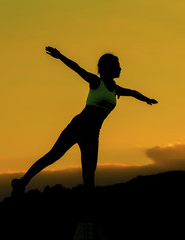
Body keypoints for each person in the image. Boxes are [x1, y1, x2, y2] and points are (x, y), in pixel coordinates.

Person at [11, 46, 158, 197]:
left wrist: (147, 100)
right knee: (52, 156)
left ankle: (88, 214)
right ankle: (21, 183)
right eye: (117, 65)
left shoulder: (115, 89)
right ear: (109, 68)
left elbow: (133, 93)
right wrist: (60, 56)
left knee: (89, 174)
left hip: (93, 133)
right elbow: (77, 68)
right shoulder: (96, 82)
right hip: (78, 126)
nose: (121, 68)